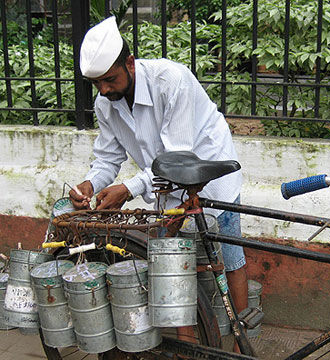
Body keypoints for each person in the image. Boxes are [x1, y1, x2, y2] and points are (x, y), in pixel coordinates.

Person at [70, 16, 249, 321]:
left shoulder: (170, 80)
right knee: (172, 268)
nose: (103, 89)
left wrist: (128, 189)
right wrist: (91, 183)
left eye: (110, 80)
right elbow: (108, 158)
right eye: (96, 84)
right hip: (163, 186)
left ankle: (242, 340)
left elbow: (177, 156)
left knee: (230, 259)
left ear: (130, 62)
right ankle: (185, 343)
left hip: (211, 171)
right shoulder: (105, 104)